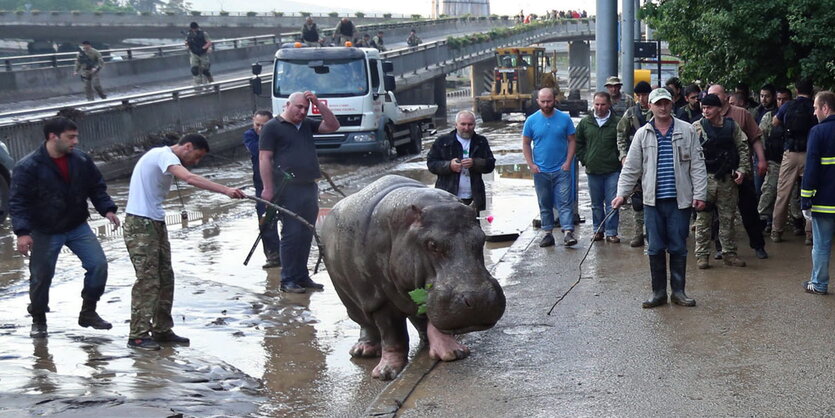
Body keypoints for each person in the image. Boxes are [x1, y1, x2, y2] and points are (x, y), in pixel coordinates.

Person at [124, 134, 246, 350]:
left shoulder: (164, 157)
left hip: (155, 223)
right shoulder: (162, 155)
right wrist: (225, 190)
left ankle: (162, 329)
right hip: (140, 225)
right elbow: (189, 178)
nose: (195, 162)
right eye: (196, 157)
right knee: (148, 280)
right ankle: (138, 335)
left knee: (165, 277)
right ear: (187, 147)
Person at [9, 117, 119, 338]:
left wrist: (107, 209)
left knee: (98, 265)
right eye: (71, 137)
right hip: (45, 229)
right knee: (41, 276)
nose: (76, 141)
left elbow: (96, 188)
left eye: (76, 136)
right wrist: (22, 233)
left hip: (77, 224)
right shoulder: (28, 166)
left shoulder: (81, 160)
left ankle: (88, 311)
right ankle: (39, 318)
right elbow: (18, 202)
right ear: (53, 137)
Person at [613, 88, 707, 308]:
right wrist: (621, 195)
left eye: (666, 103)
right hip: (652, 202)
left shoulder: (687, 130)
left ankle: (678, 292)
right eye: (658, 104)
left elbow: (698, 165)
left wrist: (700, 194)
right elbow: (631, 168)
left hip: (679, 201)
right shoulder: (642, 134)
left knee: (678, 246)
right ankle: (658, 293)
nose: (663, 107)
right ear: (651, 106)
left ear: (671, 104)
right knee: (655, 248)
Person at [259, 91, 340, 293]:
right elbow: (264, 159)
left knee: (306, 232)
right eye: (299, 107)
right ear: (287, 105)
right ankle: (287, 280)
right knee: (291, 233)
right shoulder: (272, 127)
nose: (302, 112)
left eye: (306, 108)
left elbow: (332, 125)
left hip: (308, 185)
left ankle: (302, 277)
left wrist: (318, 104)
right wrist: (267, 188)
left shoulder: (306, 125)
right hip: (286, 188)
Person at [707, 84, 769, 259]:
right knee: (719, 214)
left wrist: (761, 160)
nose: (712, 99)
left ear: (725, 96)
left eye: (716, 95)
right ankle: (722, 248)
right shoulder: (705, 118)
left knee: (749, 209)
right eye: (710, 95)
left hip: (741, 170)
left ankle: (758, 245)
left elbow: (755, 138)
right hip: (718, 174)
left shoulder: (741, 114)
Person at [692, 94, 751, 269]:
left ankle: (729, 254)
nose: (705, 111)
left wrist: (742, 170)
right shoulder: (697, 127)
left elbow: (743, 148)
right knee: (703, 220)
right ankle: (702, 255)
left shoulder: (732, 126)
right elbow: (689, 153)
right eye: (703, 108)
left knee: (728, 219)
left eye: (709, 107)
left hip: (727, 180)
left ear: (719, 108)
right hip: (705, 180)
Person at [522, 88, 578, 247]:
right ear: (537, 101)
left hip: (561, 169)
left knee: (565, 201)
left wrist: (568, 161)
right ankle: (547, 233)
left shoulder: (564, 119)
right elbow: (526, 143)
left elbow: (572, 140)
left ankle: (568, 232)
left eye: (549, 101)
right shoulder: (531, 121)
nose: (546, 104)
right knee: (544, 202)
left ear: (555, 100)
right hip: (540, 170)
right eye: (543, 101)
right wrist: (531, 164)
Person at [770, 79, 817, 245]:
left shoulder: (787, 106)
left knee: (783, 193)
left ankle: (776, 230)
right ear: (811, 91)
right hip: (810, 154)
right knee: (811, 193)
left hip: (790, 153)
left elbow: (774, 122)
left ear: (796, 90)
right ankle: (810, 233)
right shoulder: (814, 106)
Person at [800, 90, 835, 294]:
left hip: (825, 202)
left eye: (815, 108)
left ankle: (819, 283)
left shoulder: (818, 132)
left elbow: (811, 168)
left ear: (825, 107)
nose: (814, 113)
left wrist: (806, 200)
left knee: (821, 245)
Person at [427, 110, 496, 211]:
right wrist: (449, 166)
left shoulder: (481, 142)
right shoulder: (442, 141)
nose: (466, 128)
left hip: (473, 198)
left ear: (475, 125)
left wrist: (475, 163)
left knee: (471, 226)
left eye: (470, 124)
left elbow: (490, 164)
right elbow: (431, 164)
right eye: (463, 124)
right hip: (446, 197)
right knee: (448, 226)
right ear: (456, 125)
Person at [576, 92, 621, 242]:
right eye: (597, 104)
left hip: (612, 170)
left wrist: (619, 161)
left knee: (612, 202)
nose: (599, 107)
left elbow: (623, 145)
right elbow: (578, 143)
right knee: (596, 204)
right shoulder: (585, 123)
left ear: (609, 105)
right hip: (593, 170)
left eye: (602, 104)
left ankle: (611, 232)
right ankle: (598, 230)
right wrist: (585, 159)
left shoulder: (617, 123)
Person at [758, 87, 802, 232]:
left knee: (794, 194)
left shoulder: (797, 116)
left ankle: (798, 221)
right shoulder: (770, 117)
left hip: (791, 161)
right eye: (779, 99)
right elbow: (760, 138)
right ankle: (763, 220)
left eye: (785, 99)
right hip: (774, 161)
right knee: (769, 191)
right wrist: (763, 159)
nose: (781, 102)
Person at [617, 80, 653, 247]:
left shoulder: (657, 113)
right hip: (636, 162)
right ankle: (639, 233)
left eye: (644, 95)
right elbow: (621, 136)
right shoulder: (631, 113)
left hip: (654, 163)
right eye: (639, 95)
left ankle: (652, 233)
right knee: (637, 201)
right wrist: (624, 156)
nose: (641, 98)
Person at [243, 110, 281, 269]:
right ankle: (273, 256)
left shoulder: (278, 133)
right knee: (266, 220)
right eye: (257, 125)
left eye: (263, 126)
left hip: (282, 181)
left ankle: (288, 254)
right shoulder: (250, 135)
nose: (259, 128)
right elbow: (257, 150)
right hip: (262, 185)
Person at [185, 22, 213, 86]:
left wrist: (204, 48)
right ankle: (198, 85)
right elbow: (186, 42)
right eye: (193, 29)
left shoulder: (203, 33)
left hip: (202, 53)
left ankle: (208, 84)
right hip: (194, 54)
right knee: (194, 70)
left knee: (205, 70)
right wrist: (188, 45)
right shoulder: (189, 34)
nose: (194, 30)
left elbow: (209, 42)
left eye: (195, 28)